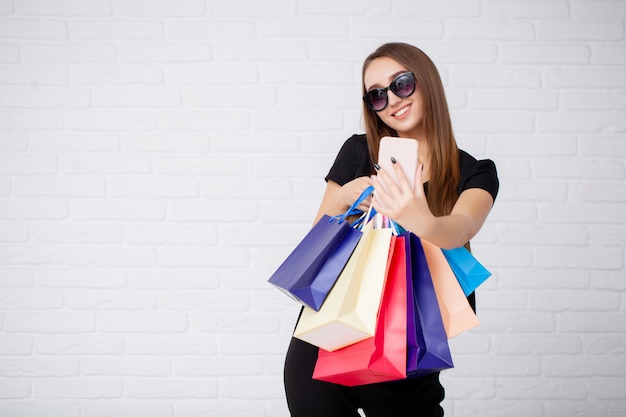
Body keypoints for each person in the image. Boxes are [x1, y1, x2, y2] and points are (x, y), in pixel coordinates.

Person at [283, 42, 499, 417]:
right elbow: (315, 241)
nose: (392, 100)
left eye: (401, 83)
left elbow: (461, 227)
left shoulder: (474, 171)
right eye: (376, 95)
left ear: (426, 80)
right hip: (327, 337)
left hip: (407, 343)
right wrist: (342, 200)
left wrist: (420, 218)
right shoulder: (357, 151)